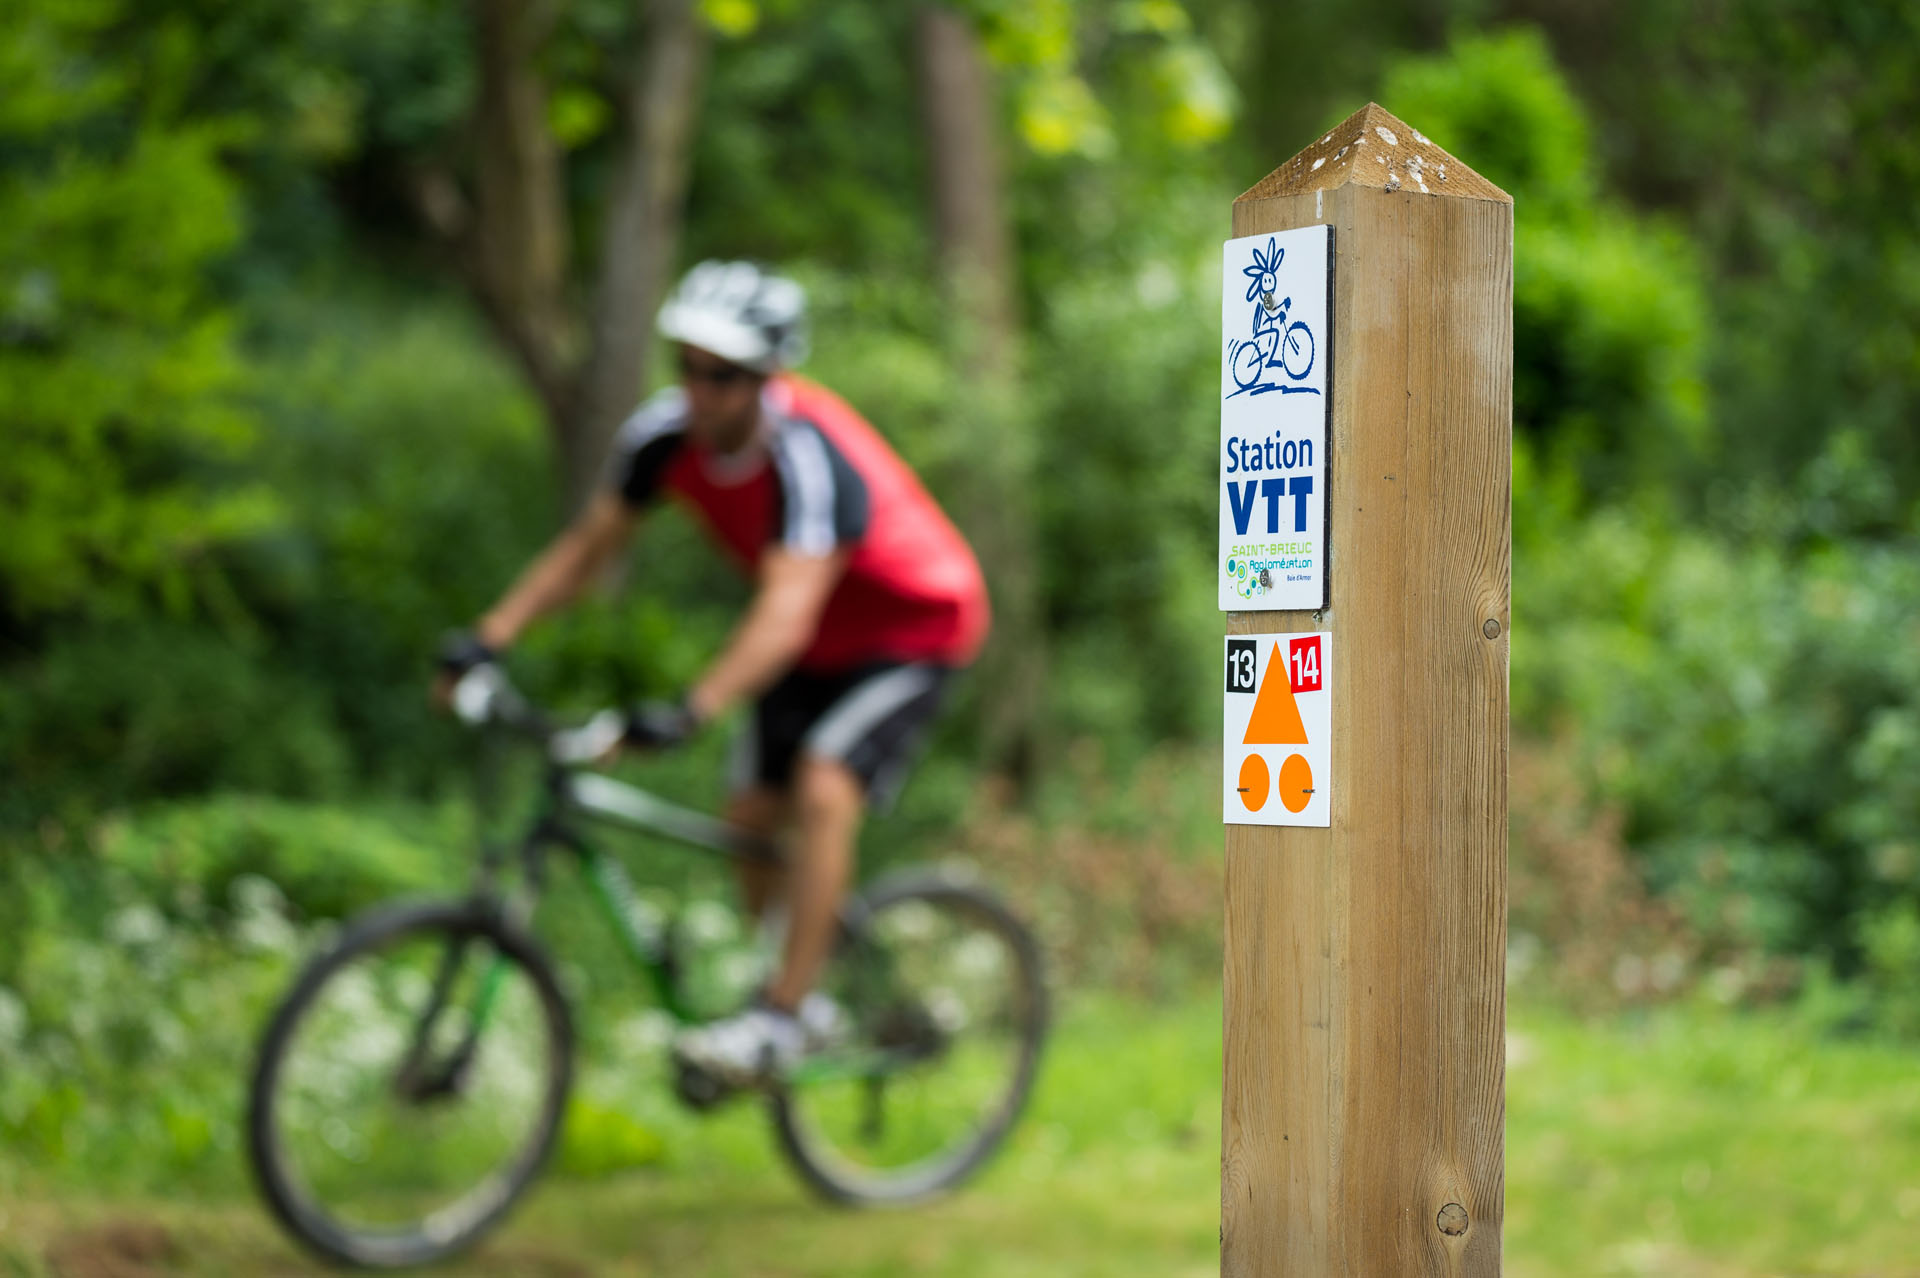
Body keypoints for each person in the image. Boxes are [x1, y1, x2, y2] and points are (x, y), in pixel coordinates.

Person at [438, 260, 989, 1087]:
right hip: (812, 643)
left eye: (722, 375)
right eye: (687, 367)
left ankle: (778, 1016)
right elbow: (588, 551)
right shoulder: (661, 437)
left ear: (767, 378)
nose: (698, 390)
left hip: (911, 628)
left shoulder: (810, 458)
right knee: (748, 814)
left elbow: (785, 611)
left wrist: (690, 710)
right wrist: (489, 636)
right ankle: (807, 994)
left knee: (825, 786)